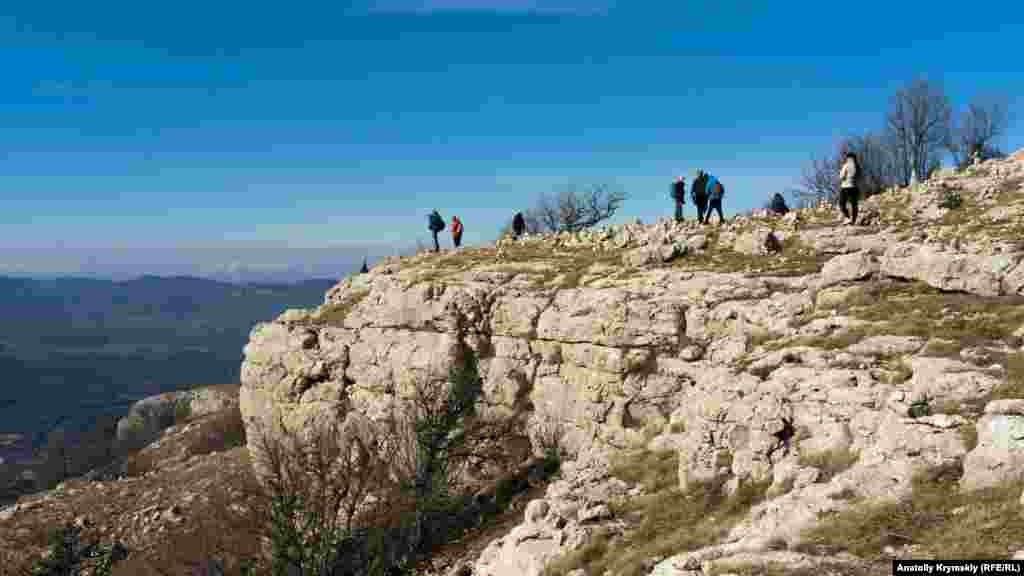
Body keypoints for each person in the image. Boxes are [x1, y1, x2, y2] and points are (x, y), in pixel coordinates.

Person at [838, 152, 860, 225]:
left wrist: (840, 173)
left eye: (847, 158)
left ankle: (847, 218)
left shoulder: (846, 165)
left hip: (845, 187)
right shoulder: (858, 166)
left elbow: (841, 176)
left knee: (842, 203)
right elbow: (860, 176)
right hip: (855, 187)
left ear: (849, 158)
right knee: (854, 204)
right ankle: (853, 220)